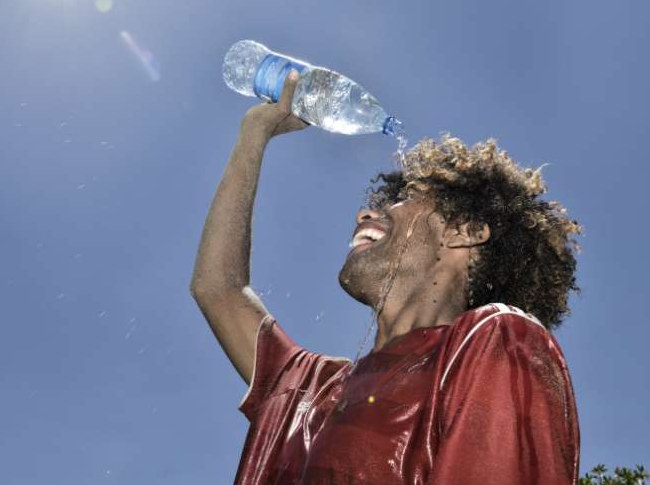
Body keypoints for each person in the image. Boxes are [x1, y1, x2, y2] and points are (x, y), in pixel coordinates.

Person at [189, 70, 583, 484]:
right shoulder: (311, 389)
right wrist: (255, 132)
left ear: (463, 231)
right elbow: (218, 288)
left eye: (405, 199)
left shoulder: (497, 340)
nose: (365, 213)